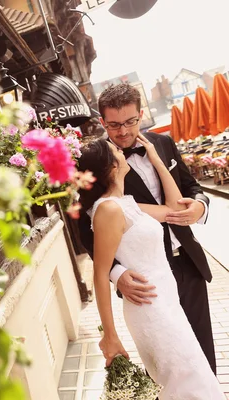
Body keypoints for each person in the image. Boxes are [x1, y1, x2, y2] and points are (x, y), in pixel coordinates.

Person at [78, 83, 216, 374]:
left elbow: (191, 187)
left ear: (141, 114)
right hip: (143, 282)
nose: (124, 131)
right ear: (102, 122)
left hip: (187, 264)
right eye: (114, 125)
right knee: (167, 363)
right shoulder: (99, 161)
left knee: (202, 357)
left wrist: (200, 206)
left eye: (130, 122)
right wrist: (117, 273)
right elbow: (86, 231)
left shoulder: (162, 144)